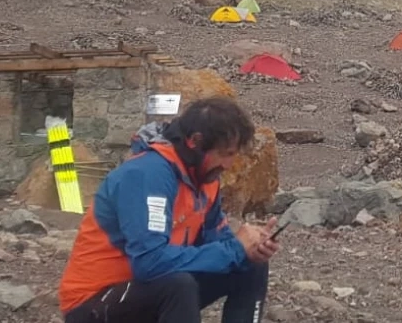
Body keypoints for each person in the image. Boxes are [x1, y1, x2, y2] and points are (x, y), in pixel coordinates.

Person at [60, 97, 279, 323]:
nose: (228, 164)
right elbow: (149, 263)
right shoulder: (148, 174)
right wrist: (234, 249)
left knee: (249, 265)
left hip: (149, 292)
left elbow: (218, 243)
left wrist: (250, 247)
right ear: (195, 141)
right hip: (94, 302)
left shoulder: (205, 179)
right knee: (178, 284)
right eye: (225, 154)